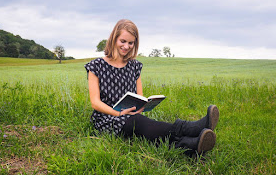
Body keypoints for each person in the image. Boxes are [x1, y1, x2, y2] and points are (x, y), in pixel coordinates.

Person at [84, 19, 219, 155]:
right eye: (123, 41)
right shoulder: (96, 66)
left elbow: (139, 97)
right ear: (114, 39)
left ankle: (191, 146)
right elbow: (95, 102)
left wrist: (142, 106)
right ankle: (193, 128)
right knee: (140, 123)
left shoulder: (135, 66)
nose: (126, 46)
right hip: (107, 118)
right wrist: (119, 114)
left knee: (145, 127)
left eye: (131, 43)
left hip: (131, 115)